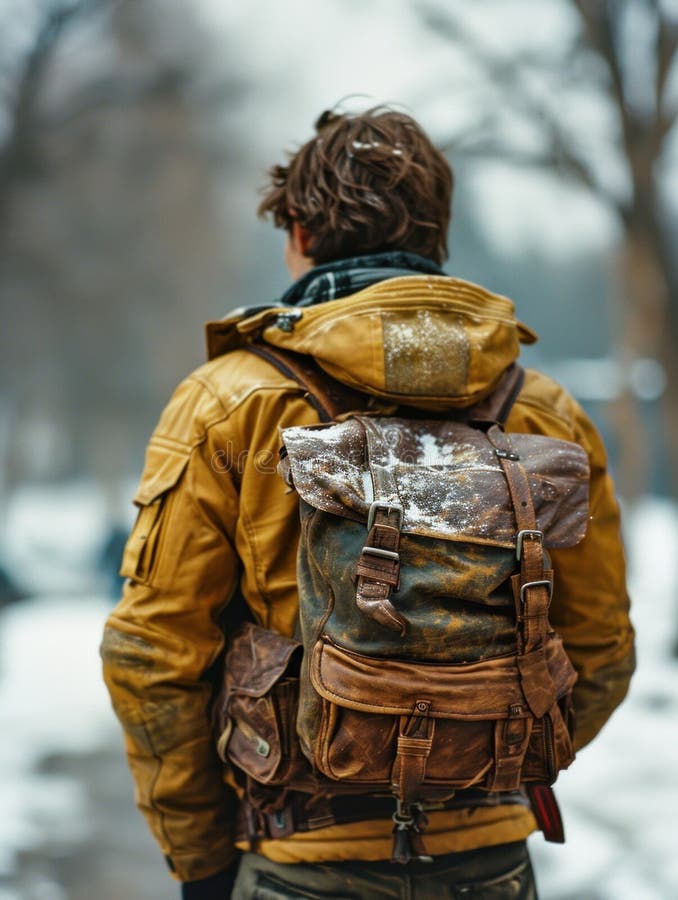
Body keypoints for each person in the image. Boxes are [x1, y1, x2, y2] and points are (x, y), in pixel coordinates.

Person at [101, 105, 635, 899]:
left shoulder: (231, 403)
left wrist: (202, 861)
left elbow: (154, 658)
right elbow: (601, 650)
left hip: (297, 860)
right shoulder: (544, 412)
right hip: (489, 863)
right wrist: (480, 762)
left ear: (302, 234)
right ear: (436, 241)